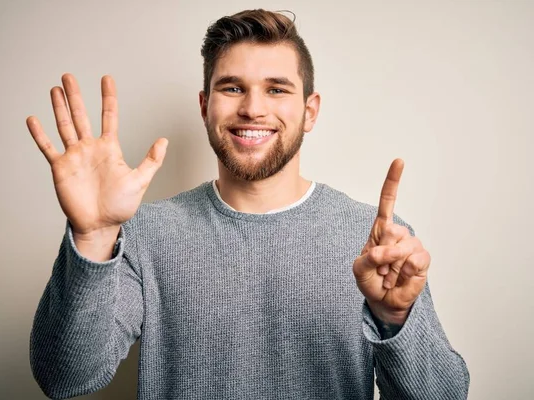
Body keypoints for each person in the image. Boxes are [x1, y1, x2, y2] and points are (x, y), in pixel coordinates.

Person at [27, 9, 470, 400]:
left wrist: (395, 319)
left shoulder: (375, 242)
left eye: (276, 89)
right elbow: (65, 378)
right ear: (204, 106)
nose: (253, 109)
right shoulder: (144, 234)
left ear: (310, 110)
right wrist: (93, 237)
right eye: (233, 88)